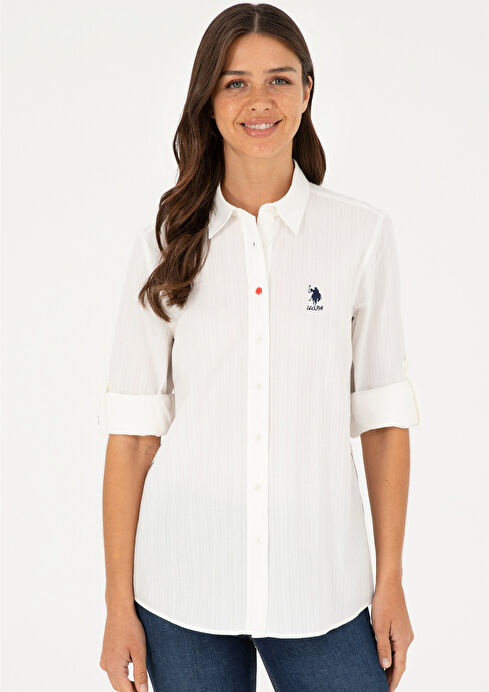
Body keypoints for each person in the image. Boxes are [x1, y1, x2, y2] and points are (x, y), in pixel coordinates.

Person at [98, 4, 421, 691]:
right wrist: (116, 604)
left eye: (279, 79)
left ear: (307, 91)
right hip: (182, 582)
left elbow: (384, 420)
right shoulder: (165, 242)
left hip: (322, 585)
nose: (259, 101)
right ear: (209, 101)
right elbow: (132, 438)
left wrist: (390, 579)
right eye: (235, 83)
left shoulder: (360, 236)